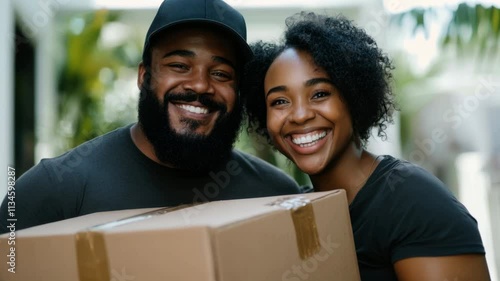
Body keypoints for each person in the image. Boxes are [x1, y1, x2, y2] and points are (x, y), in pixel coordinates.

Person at [0, 0, 301, 234]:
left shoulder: (275, 196)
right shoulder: (51, 192)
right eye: (180, 65)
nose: (200, 85)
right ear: (144, 76)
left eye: (221, 73)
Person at [243, 12, 491, 280]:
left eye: (320, 94)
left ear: (354, 98)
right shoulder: (304, 212)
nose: (300, 115)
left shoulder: (413, 202)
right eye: (280, 101)